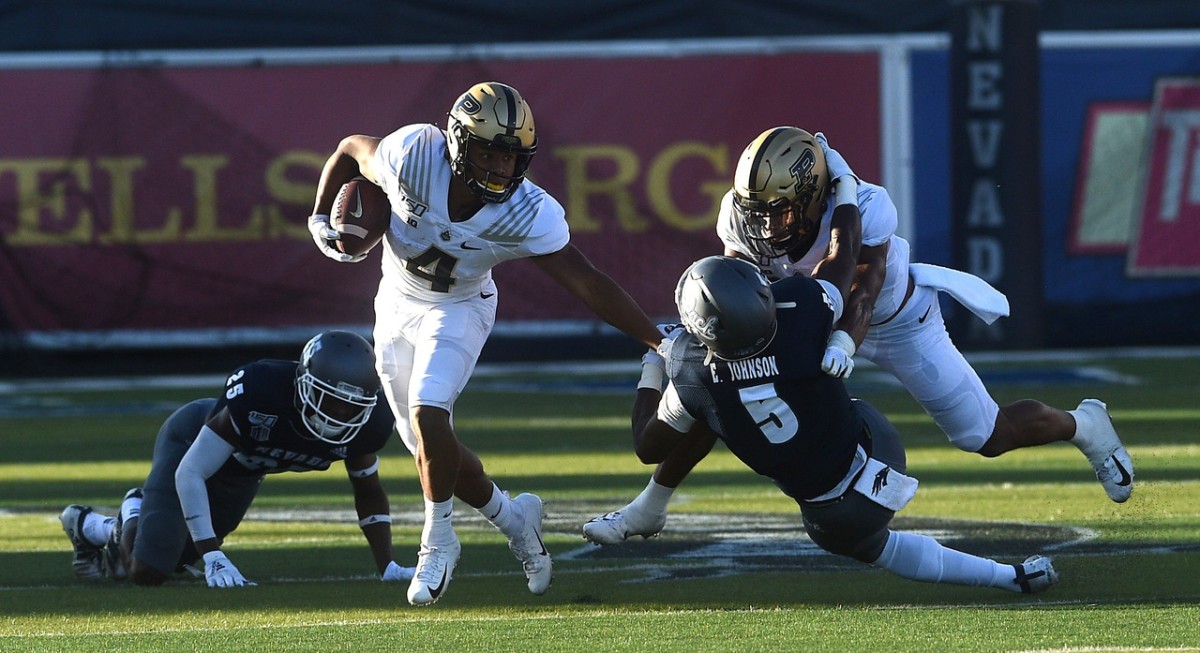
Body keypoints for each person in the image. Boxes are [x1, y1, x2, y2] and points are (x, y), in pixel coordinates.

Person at [584, 126, 1134, 545]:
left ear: (814, 195)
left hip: (894, 323)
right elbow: (740, 279)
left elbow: (859, 290)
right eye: (759, 213)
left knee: (984, 436)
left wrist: (843, 343)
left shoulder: (865, 204)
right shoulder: (743, 214)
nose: (767, 227)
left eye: (780, 212)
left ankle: (1082, 424)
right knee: (720, 383)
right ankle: (650, 506)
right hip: (796, 323)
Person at [306, 81, 662, 605]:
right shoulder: (412, 154)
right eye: (489, 151)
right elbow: (349, 149)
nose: (500, 168)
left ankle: (438, 541)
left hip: (460, 309)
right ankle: (515, 521)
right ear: (456, 141)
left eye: (511, 156)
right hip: (396, 303)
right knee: (427, 448)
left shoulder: (527, 210)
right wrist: (319, 217)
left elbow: (587, 281)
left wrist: (657, 340)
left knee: (430, 411)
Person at [630, 255, 1059, 594]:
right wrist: (848, 191)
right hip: (879, 446)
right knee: (826, 399)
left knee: (879, 548)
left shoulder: (690, 370)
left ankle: (1010, 577)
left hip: (833, 517)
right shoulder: (800, 311)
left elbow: (648, 446)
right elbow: (846, 260)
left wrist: (654, 363)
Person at [59, 330, 413, 588]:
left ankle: (94, 527)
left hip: (243, 473)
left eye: (351, 404)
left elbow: (367, 490)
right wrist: (213, 556)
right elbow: (191, 471)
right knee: (147, 571)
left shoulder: (370, 424)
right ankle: (134, 509)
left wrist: (387, 565)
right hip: (193, 444)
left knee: (179, 557)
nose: (338, 412)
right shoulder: (262, 393)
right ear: (303, 383)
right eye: (328, 398)